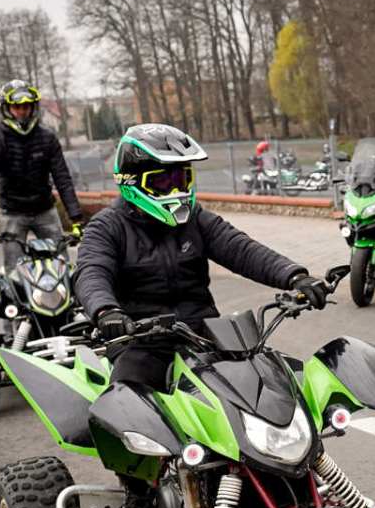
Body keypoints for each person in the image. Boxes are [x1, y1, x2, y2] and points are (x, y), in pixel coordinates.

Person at [73, 123, 327, 395]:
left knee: (271, 384)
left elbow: (242, 249)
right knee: (125, 401)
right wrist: (106, 311)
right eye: (164, 182)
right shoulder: (107, 227)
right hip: (142, 341)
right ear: (132, 181)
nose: (176, 190)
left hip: (205, 334)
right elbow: (91, 272)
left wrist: (295, 276)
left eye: (181, 180)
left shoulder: (195, 219)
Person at [0, 80, 85, 269]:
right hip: (12, 213)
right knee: (14, 269)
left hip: (45, 210)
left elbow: (63, 179)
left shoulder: (47, 137)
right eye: (17, 107)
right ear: (7, 108)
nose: (22, 111)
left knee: (62, 266)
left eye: (26, 106)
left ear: (33, 108)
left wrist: (76, 219)